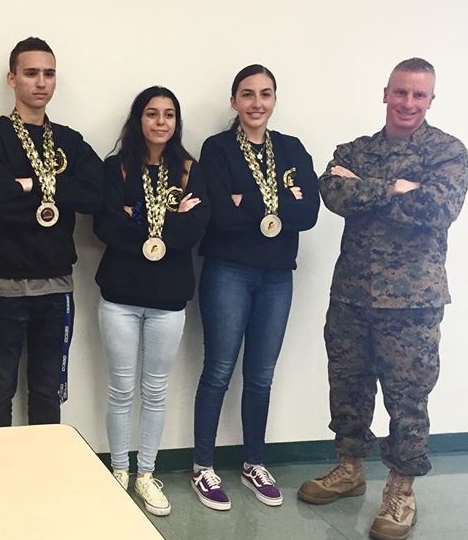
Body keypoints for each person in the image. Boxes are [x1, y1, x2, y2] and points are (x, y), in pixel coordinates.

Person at [298, 58, 468, 540]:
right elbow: (333, 193)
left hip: (413, 304)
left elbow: (438, 208)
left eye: (419, 95)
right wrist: (396, 187)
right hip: (351, 295)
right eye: (401, 92)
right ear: (386, 93)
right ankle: (349, 469)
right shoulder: (355, 149)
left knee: (407, 398)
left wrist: (366, 189)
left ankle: (400, 489)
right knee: (347, 388)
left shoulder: (448, 152)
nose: (408, 103)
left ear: (431, 100)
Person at [190, 64, 320, 511]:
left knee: (261, 376)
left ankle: (253, 462)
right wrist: (282, 204)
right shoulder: (218, 149)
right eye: (247, 94)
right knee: (219, 370)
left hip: (276, 276)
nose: (256, 103)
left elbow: (310, 214)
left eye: (265, 94)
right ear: (234, 101)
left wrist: (249, 201)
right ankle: (203, 466)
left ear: (274, 100)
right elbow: (218, 214)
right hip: (228, 271)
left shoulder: (291, 149)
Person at [0, 37, 103, 428]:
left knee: (47, 391)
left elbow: (95, 194)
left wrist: (29, 185)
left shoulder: (69, 140)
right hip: (1, 288)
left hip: (56, 288)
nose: (40, 82)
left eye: (48, 73)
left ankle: (44, 476)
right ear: (12, 79)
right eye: (30, 73)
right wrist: (56, 191)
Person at [94, 86, 210, 516]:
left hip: (168, 301)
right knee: (121, 388)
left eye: (168, 115)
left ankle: (146, 473)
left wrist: (137, 219)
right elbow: (104, 227)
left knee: (155, 391)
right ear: (138, 120)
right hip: (120, 297)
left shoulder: (189, 170)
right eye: (151, 114)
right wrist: (166, 221)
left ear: (176, 122)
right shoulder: (115, 169)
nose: (160, 122)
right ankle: (119, 471)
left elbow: (192, 233)